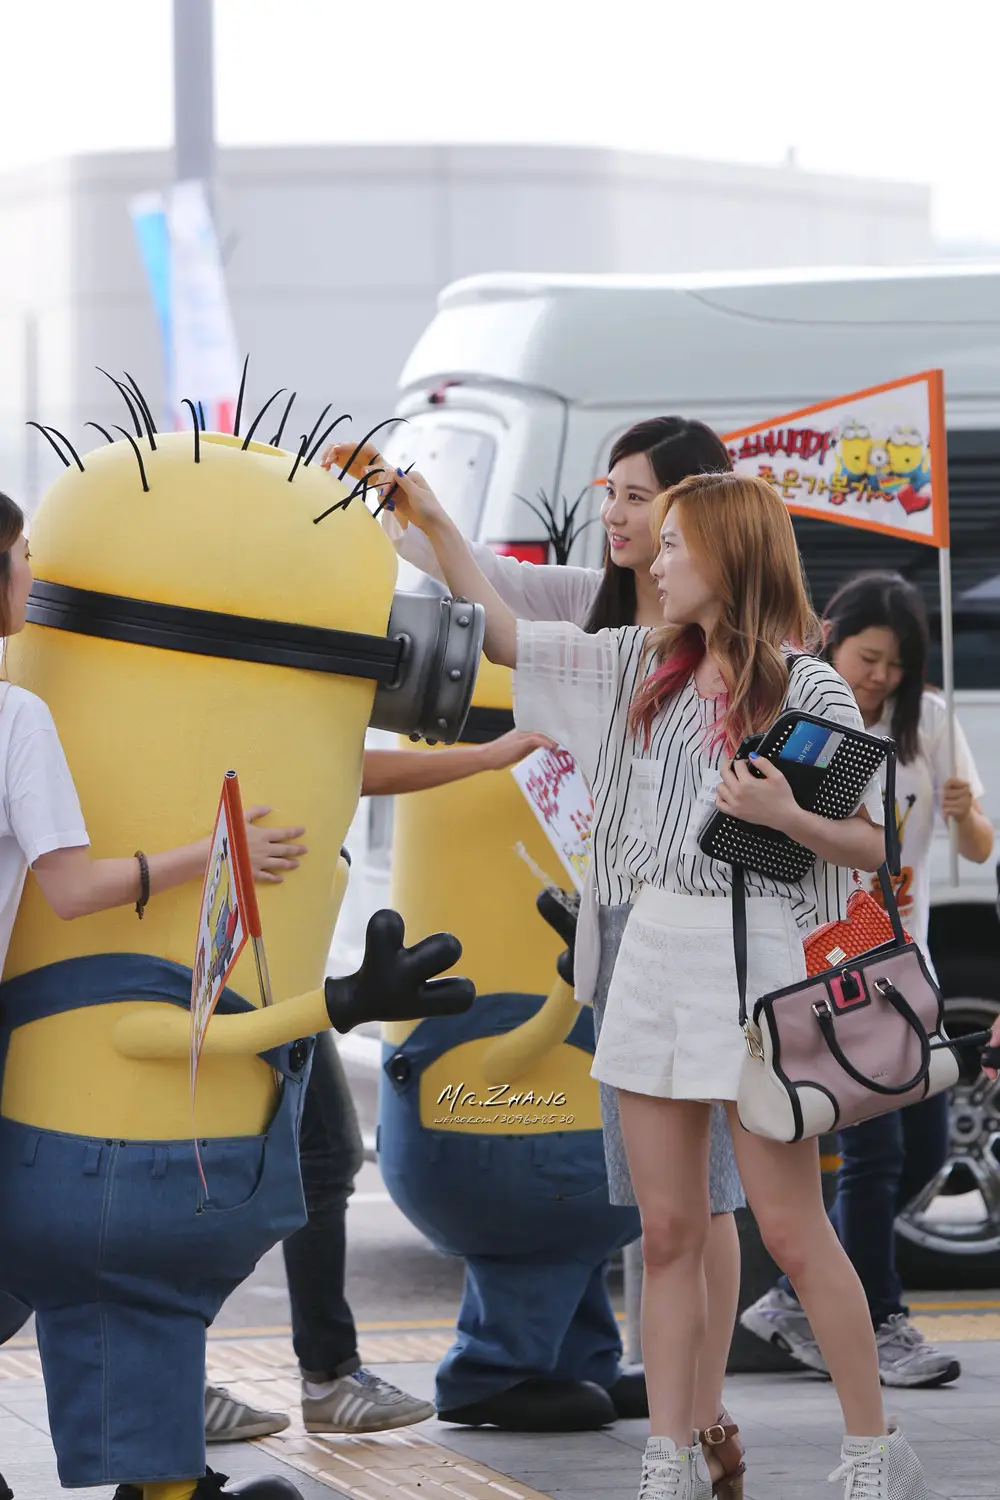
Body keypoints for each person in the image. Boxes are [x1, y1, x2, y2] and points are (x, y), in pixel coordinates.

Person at [362, 461, 930, 1500]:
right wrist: (433, 517)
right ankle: (665, 1461)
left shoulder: (805, 684)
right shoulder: (636, 663)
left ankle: (872, 1450)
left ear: (728, 554)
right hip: (652, 949)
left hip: (755, 958)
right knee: (666, 1231)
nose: (652, 560)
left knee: (794, 1235)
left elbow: (863, 843)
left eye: (672, 543)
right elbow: (499, 633)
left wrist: (783, 818)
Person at [326, 419, 747, 1467]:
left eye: (635, 496)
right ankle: (671, 1438)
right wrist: (413, 513)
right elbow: (484, 603)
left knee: (726, 1201)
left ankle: (710, 1413)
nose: (612, 513)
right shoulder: (587, 612)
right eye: (609, 491)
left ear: (697, 508)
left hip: (716, 941)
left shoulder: (750, 647)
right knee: (659, 1212)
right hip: (609, 936)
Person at [0, 491, 307, 1499]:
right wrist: (215, 854)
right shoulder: (15, 713)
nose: (33, 577)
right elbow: (74, 887)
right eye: (22, 559)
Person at [198, 728, 553, 1444]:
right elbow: (341, 768)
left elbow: (346, 767)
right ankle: (215, 1371)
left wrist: (485, 756)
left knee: (309, 1162)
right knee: (244, 1168)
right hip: (240, 973)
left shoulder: (288, 710)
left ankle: (303, 1373)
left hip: (280, 976)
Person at [741, 570, 994, 1390]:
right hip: (828, 962)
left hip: (901, 967)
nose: (880, 676)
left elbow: (981, 849)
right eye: (868, 655)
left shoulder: (932, 725)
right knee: (877, 1148)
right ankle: (880, 1318)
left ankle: (790, 1300)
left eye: (896, 662)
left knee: (920, 1150)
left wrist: (964, 813)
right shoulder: (805, 721)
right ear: (833, 640)